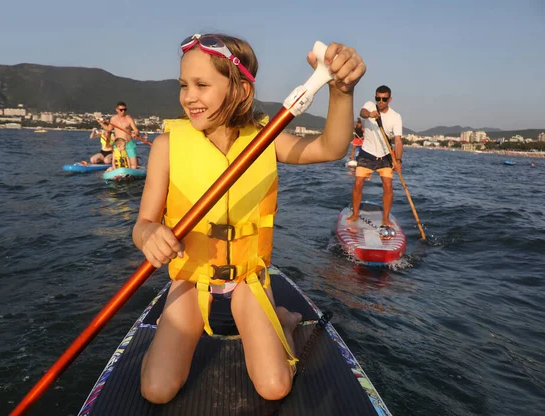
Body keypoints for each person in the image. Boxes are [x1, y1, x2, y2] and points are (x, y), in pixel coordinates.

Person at [132, 33, 366, 404]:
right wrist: (149, 235)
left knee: (274, 388)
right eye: (183, 85)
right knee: (156, 391)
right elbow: (142, 223)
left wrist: (341, 91)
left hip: (247, 282)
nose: (189, 96)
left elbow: (330, 147)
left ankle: (285, 320)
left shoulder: (266, 140)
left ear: (241, 90)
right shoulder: (166, 146)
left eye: (201, 85)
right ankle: (169, 332)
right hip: (190, 283)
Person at [346, 85, 402, 227]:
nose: (381, 101)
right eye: (378, 98)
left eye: (384, 99)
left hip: (385, 156)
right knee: (358, 183)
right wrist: (370, 114)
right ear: (375, 97)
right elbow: (362, 112)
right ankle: (355, 214)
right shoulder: (370, 105)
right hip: (367, 153)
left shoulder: (395, 117)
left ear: (390, 99)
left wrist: (398, 160)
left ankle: (386, 218)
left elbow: (398, 140)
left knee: (388, 186)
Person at [108, 102, 140, 168]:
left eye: (125, 110)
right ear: (117, 110)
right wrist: (101, 123)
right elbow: (109, 129)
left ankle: (136, 163)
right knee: (117, 165)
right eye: (121, 110)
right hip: (118, 145)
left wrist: (135, 133)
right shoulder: (113, 119)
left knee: (133, 166)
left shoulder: (129, 118)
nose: (123, 111)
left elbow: (136, 130)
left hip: (129, 144)